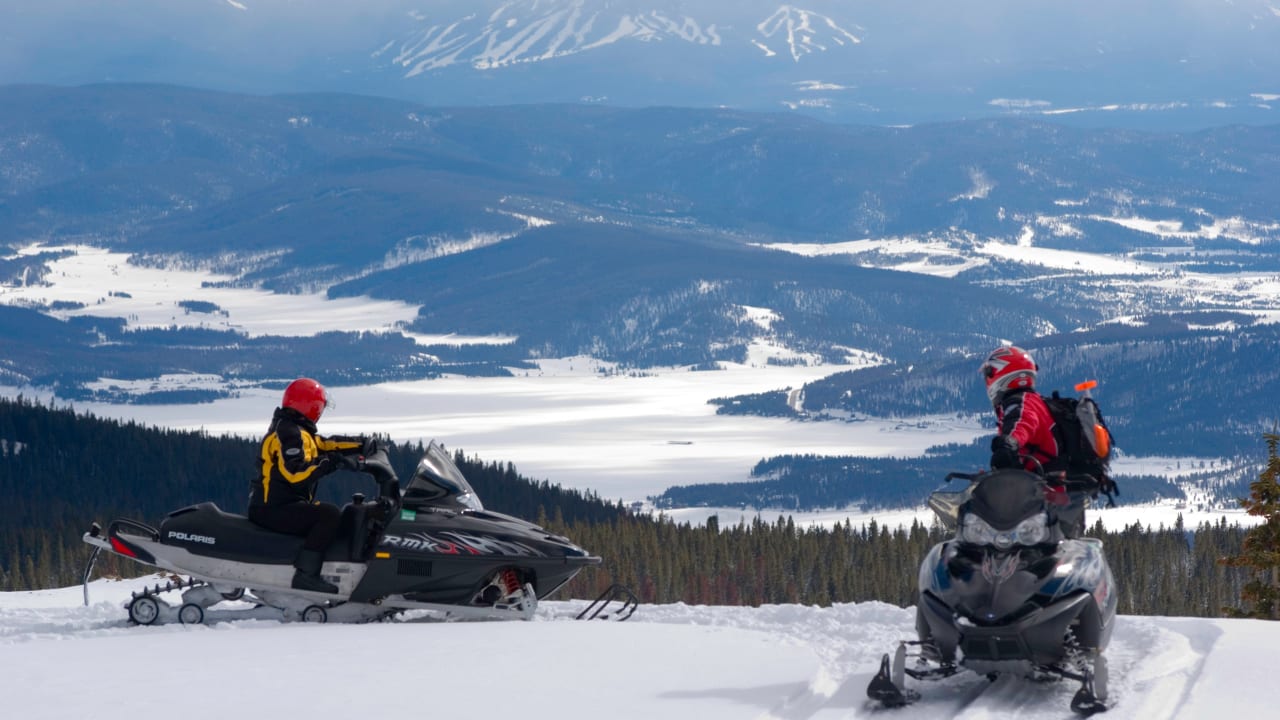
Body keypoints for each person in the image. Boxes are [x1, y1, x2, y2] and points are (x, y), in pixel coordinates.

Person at [248, 377, 366, 594]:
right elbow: (296, 473)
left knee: (329, 515)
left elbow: (324, 444)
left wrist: (363, 445)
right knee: (328, 515)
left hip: (281, 504)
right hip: (272, 508)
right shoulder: (288, 433)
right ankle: (306, 575)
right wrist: (333, 462)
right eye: (319, 407)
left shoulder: (297, 430)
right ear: (310, 406)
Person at [979, 345, 1058, 472]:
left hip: (1044, 488)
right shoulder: (1034, 401)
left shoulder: (1021, 403)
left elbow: (1022, 423)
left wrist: (1007, 444)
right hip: (1040, 484)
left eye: (989, 374)